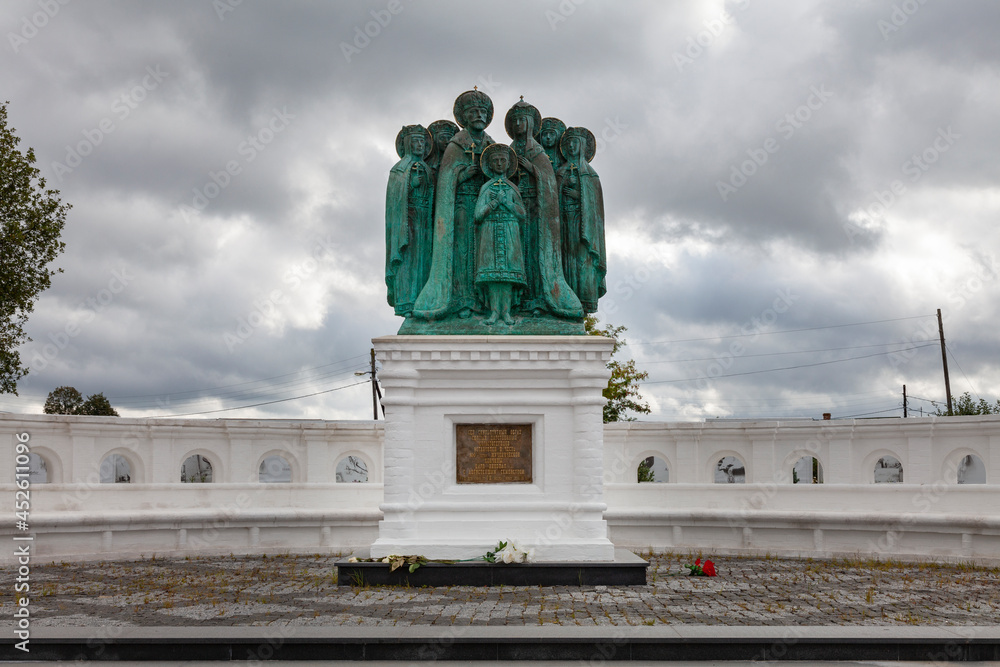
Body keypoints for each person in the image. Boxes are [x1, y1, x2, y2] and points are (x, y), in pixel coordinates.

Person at [412, 89, 495, 320]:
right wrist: (464, 174)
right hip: (461, 207)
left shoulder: (491, 144)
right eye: (473, 112)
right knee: (462, 253)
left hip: (486, 209)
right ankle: (461, 301)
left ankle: (483, 302)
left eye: (483, 111)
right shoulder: (456, 145)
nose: (479, 115)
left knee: (482, 254)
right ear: (464, 118)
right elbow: (446, 179)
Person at [506, 99, 582, 320]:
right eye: (515, 120)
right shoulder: (511, 149)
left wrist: (531, 168)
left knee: (535, 252)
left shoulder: (536, 149)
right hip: (516, 209)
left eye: (523, 120)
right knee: (518, 252)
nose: (519, 124)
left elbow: (549, 182)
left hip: (536, 209)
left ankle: (539, 298)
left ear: (531, 124)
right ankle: (518, 299)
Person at [474, 144, 526, 325]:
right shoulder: (487, 188)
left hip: (510, 228)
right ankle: (495, 311)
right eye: (495, 160)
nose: (499, 163)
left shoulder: (512, 188)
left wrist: (508, 204)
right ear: (489, 164)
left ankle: (507, 312)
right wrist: (495, 203)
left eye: (502, 160)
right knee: (493, 274)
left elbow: (522, 214)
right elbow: (478, 215)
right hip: (490, 229)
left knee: (508, 274)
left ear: (508, 163)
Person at [385, 124, 433, 317]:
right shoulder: (399, 170)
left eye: (422, 141)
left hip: (426, 221)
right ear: (407, 144)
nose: (419, 145)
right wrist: (411, 186)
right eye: (415, 141)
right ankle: (407, 303)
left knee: (425, 261)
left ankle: (423, 302)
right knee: (408, 261)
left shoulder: (427, 169)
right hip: (407, 221)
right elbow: (394, 201)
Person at [557, 127, 606, 314]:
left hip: (583, 227)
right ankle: (569, 301)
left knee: (583, 261)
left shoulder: (590, 175)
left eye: (575, 142)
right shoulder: (560, 171)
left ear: (583, 146)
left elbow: (595, 208)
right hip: (563, 224)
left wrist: (579, 195)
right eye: (568, 142)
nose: (571, 146)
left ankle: (584, 302)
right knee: (565, 260)